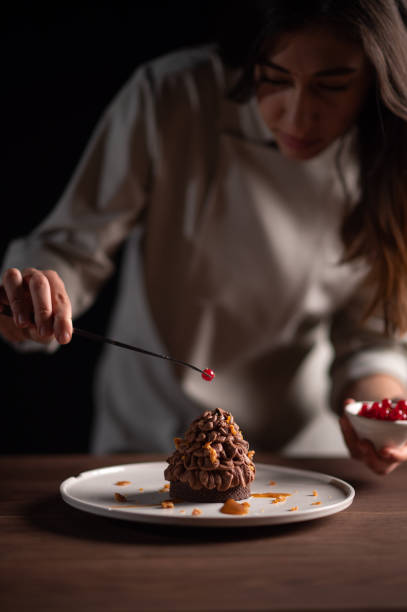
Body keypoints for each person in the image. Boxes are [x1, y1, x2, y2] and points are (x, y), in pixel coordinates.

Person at [1, 0, 407, 474]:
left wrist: (381, 414)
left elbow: (370, 340)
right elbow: (70, 249)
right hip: (148, 440)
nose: (298, 118)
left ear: (379, 80)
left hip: (295, 458)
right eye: (274, 79)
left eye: (332, 86)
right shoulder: (174, 96)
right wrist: (34, 299)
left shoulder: (390, 161)